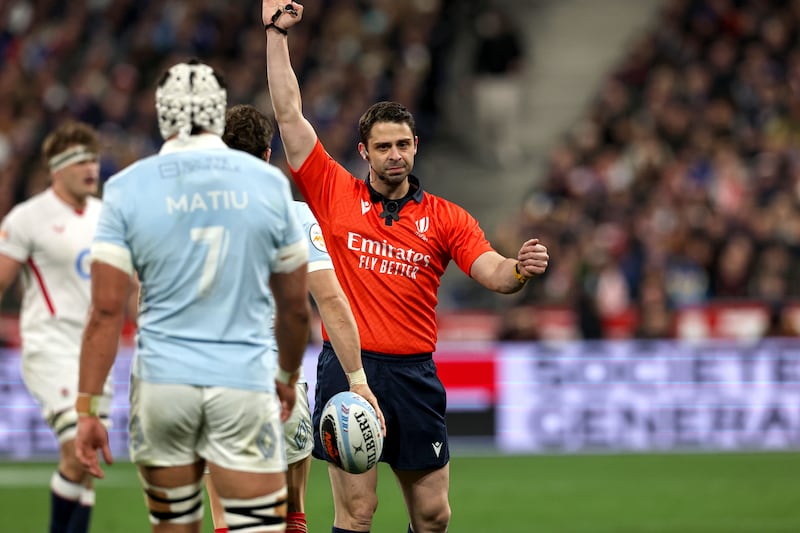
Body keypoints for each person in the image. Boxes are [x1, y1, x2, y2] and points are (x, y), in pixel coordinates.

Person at [261, 3, 550, 532]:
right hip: (349, 369)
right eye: (383, 147)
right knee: (358, 512)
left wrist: (519, 270)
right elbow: (289, 117)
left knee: (434, 515)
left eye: (402, 144)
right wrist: (276, 35)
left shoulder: (446, 217)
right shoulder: (333, 192)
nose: (395, 154)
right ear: (364, 152)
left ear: (416, 146)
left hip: (415, 373)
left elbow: (491, 271)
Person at [73, 59, 311, 533]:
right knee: (255, 525)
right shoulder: (268, 185)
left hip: (164, 384)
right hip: (243, 379)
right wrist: (287, 376)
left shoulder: (126, 188)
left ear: (162, 115)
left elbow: (105, 311)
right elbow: (294, 309)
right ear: (217, 112)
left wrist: (87, 409)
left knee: (176, 524)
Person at [205, 104, 385, 533]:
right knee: (292, 515)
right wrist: (357, 379)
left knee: (228, 517)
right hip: (277, 378)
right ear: (268, 155)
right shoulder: (295, 217)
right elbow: (331, 301)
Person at [0, 121, 113, 533]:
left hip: (97, 354)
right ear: (57, 169)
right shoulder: (28, 218)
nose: (91, 168)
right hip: (50, 348)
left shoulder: (107, 216)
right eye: (80, 160)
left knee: (86, 461)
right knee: (75, 450)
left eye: (94, 159)